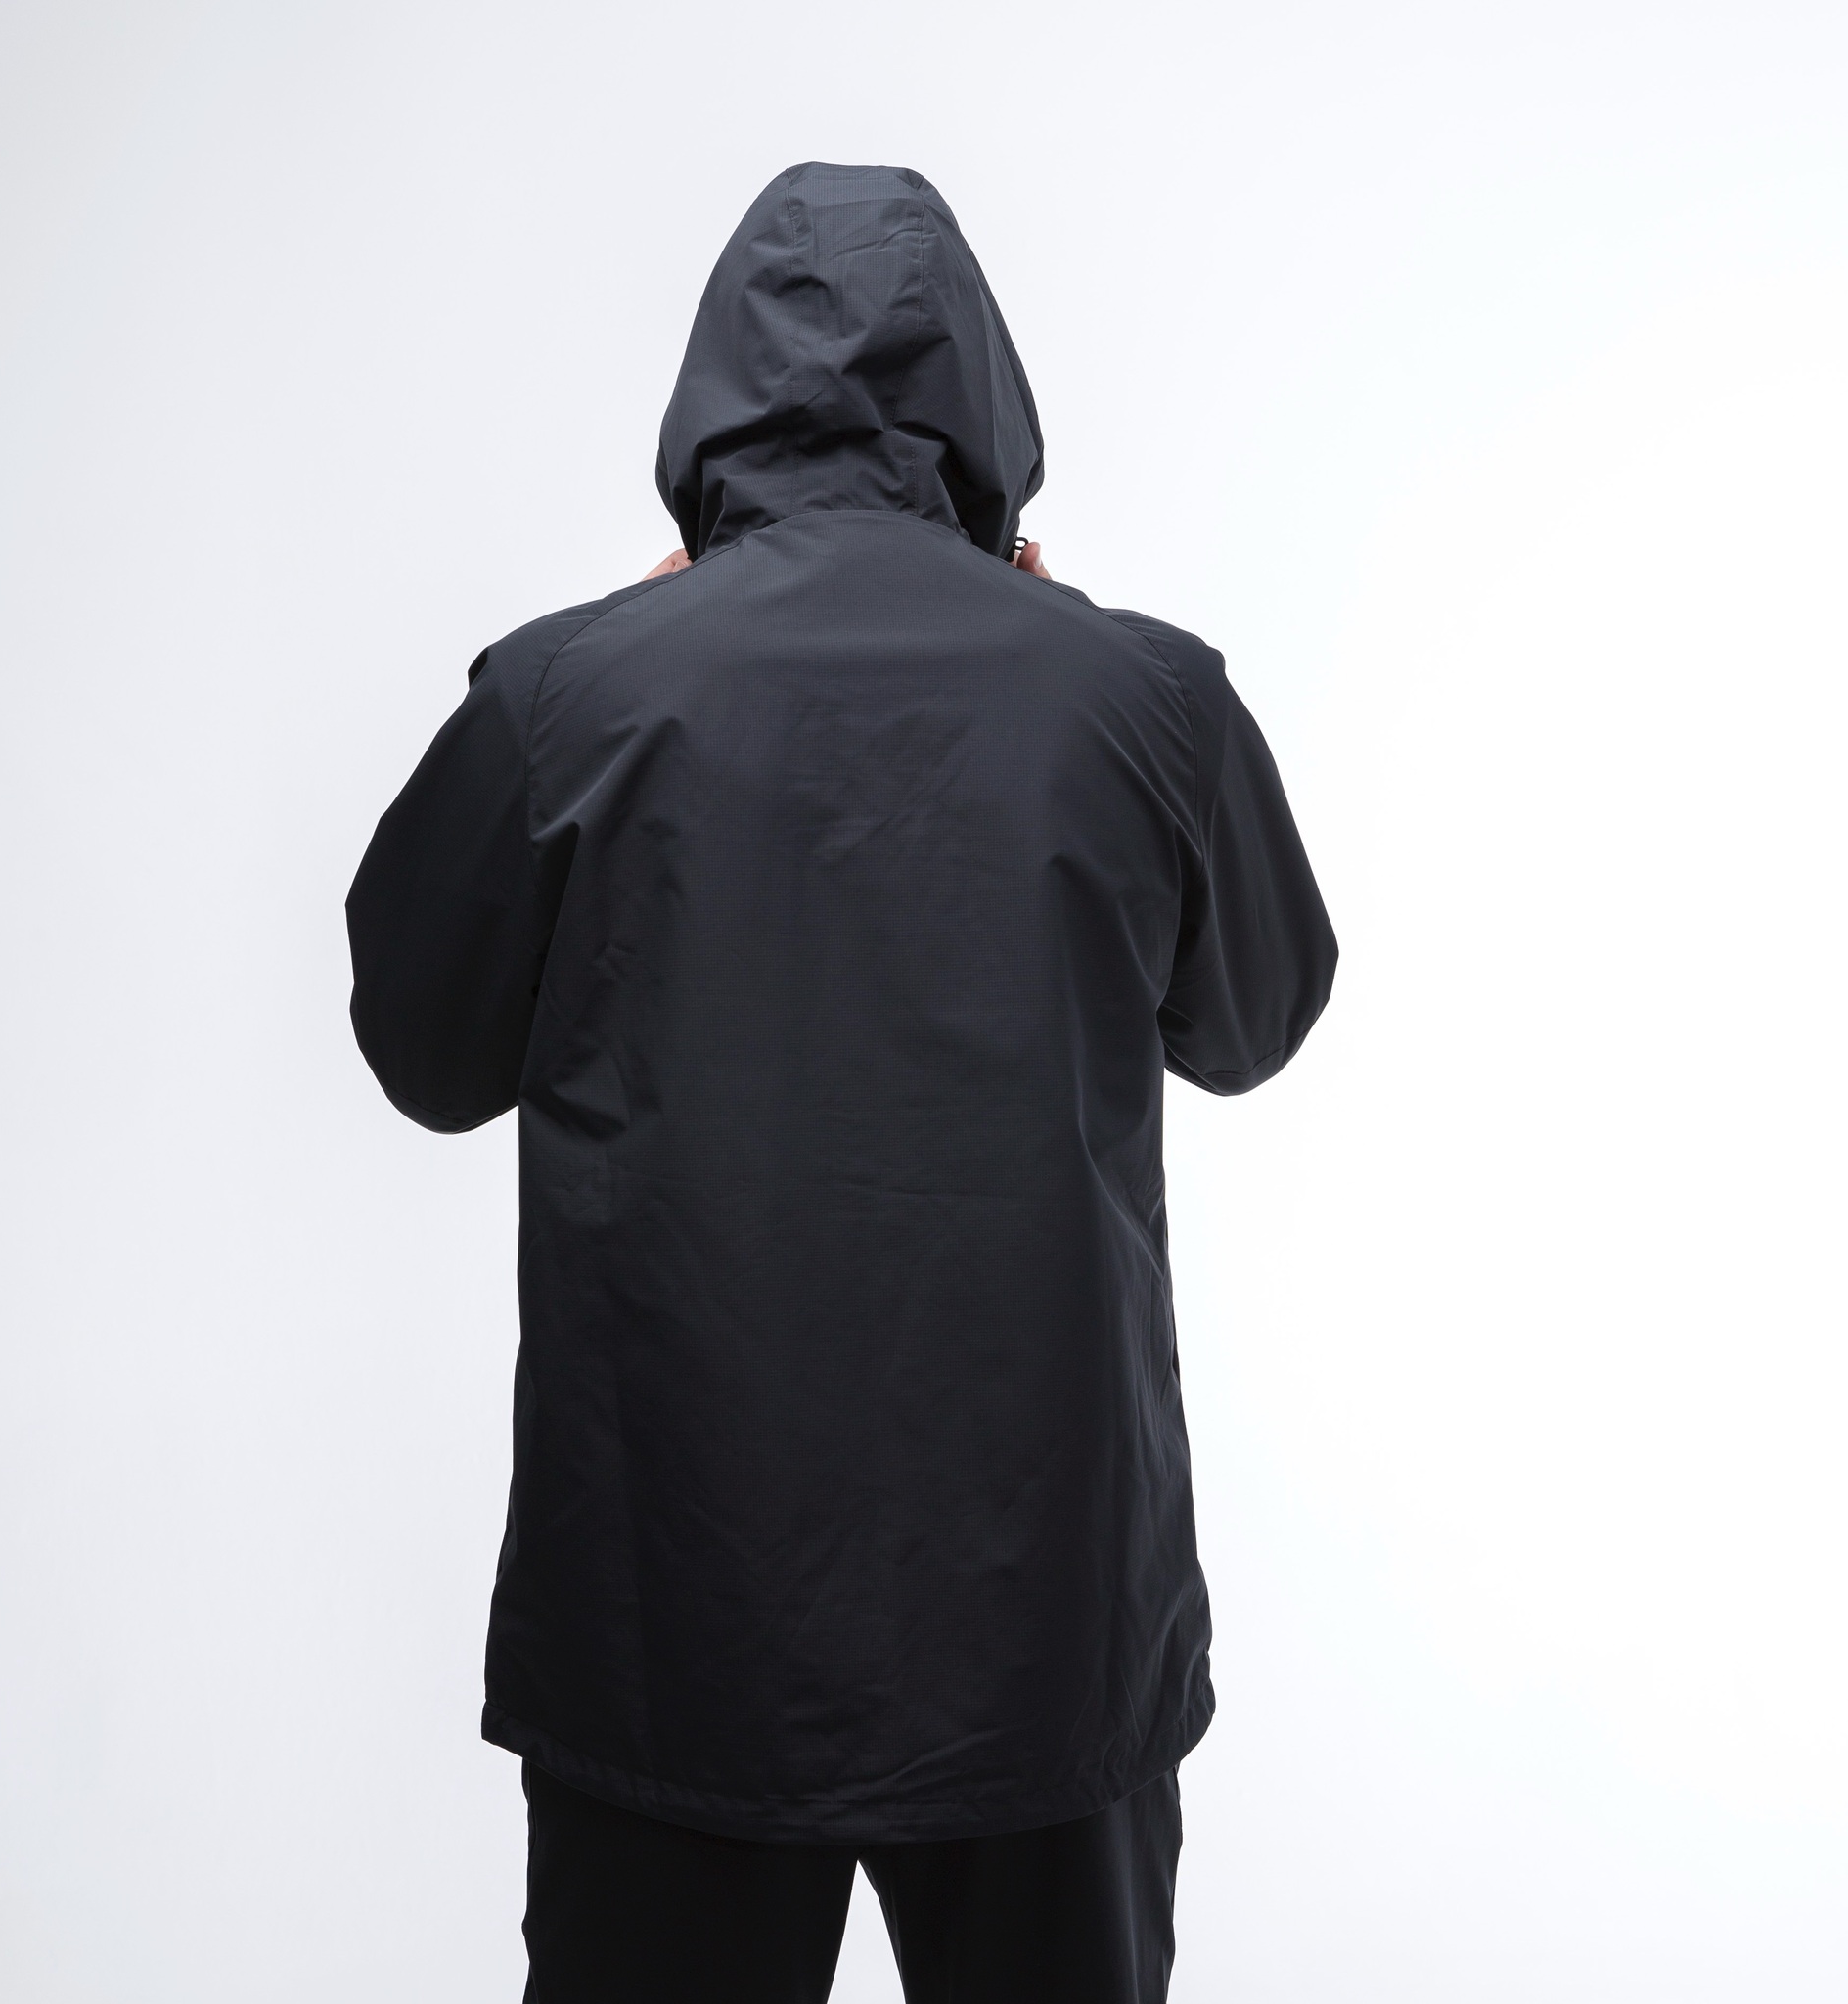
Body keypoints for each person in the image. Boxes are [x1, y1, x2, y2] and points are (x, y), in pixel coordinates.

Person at [346, 161, 1336, 2003]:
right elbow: (1255, 1021)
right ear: (987, 406)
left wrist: (626, 649)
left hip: (676, 1616)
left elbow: (423, 1052)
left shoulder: (567, 694)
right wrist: (1070, 647)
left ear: (714, 403)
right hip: (1044, 1615)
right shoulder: (1146, 700)